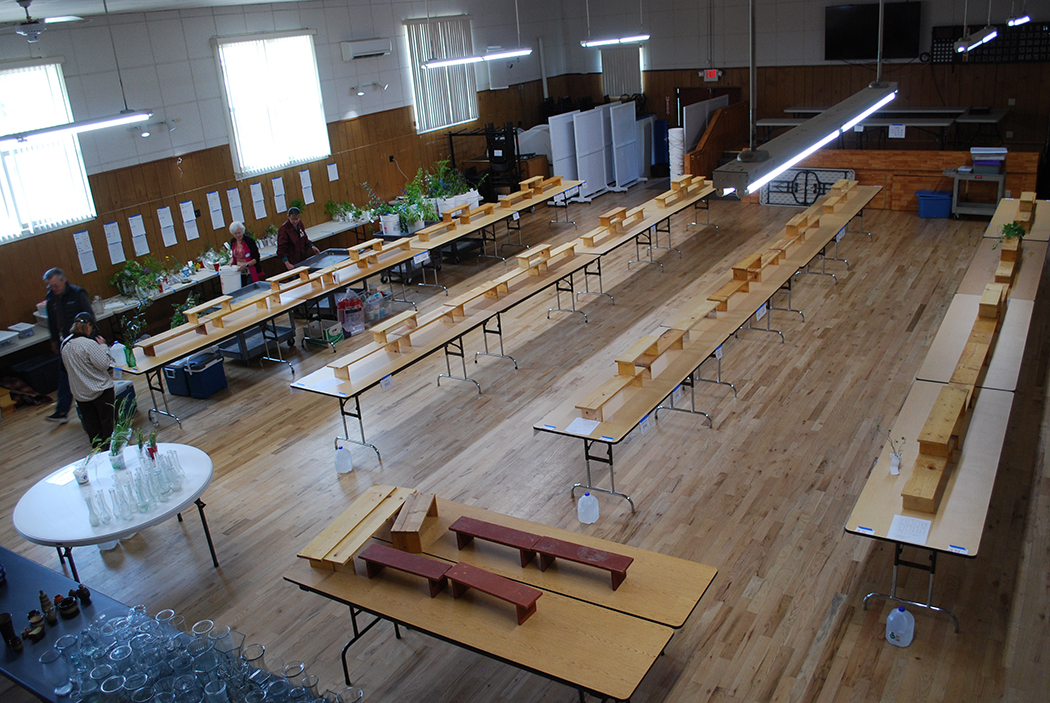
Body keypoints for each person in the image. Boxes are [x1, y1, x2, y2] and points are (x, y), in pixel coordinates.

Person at [44, 267, 93, 424]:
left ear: (63, 280)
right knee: (64, 375)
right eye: (51, 286)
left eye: (56, 285)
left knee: (89, 374)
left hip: (81, 341)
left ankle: (96, 405)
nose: (54, 289)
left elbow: (89, 316)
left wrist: (88, 338)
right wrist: (53, 340)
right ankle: (62, 411)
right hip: (64, 343)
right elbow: (52, 322)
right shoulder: (51, 298)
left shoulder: (77, 293)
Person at [60, 312, 115, 448]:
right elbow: (103, 365)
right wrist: (103, 346)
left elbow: (64, 368)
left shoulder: (65, 344)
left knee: (92, 426)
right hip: (100, 390)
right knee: (107, 423)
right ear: (89, 325)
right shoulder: (89, 344)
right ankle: (110, 449)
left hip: (81, 394)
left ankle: (97, 450)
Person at [276, 207, 319, 271]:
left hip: (302, 258)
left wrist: (312, 246)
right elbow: (282, 249)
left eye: (297, 219)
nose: (295, 221)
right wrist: (287, 263)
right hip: (292, 261)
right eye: (293, 219)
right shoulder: (283, 229)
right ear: (288, 216)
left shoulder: (300, 224)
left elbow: (304, 238)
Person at [229, 221, 262, 286]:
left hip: (250, 270)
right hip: (239, 271)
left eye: (239, 233)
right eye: (235, 233)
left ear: (242, 231)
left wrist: (246, 265)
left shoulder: (249, 241)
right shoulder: (233, 241)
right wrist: (231, 262)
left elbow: (256, 258)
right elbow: (234, 255)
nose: (238, 235)